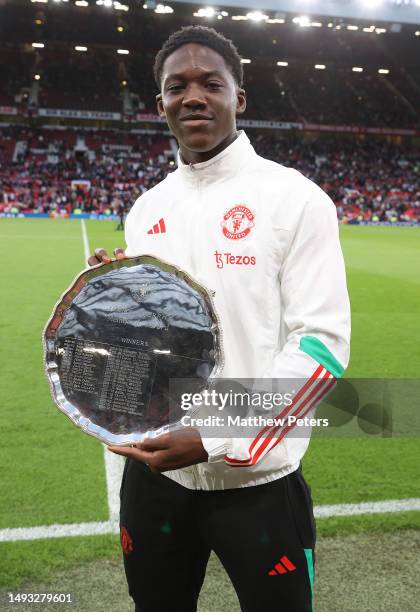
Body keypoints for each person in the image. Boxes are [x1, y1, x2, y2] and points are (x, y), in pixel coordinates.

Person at [88, 26, 350, 612]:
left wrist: (213, 435)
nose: (193, 96)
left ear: (240, 97)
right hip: (155, 479)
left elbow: (322, 350)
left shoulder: (295, 199)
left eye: (211, 82)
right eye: (176, 86)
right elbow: (150, 342)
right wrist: (108, 303)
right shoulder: (147, 208)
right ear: (160, 105)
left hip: (255, 483)